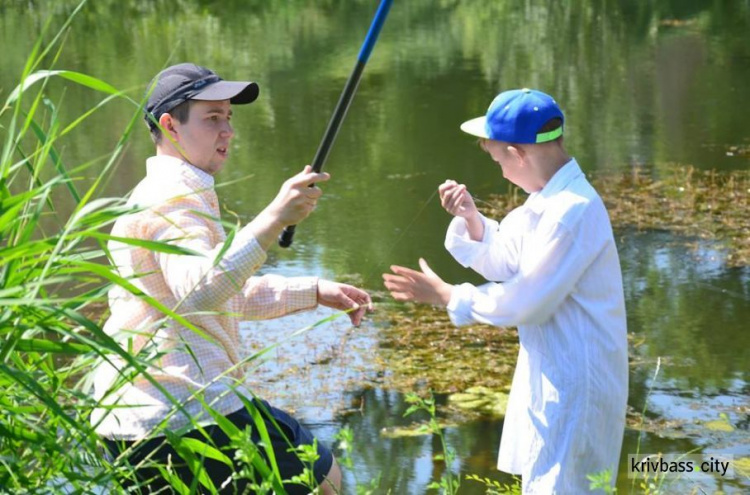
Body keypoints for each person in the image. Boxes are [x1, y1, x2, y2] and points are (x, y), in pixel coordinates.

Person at [92, 63, 372, 494]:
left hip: (131, 422)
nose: (228, 131)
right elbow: (203, 288)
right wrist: (274, 217)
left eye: (228, 117)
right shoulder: (175, 196)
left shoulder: (158, 191)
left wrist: (313, 291)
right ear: (170, 126)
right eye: (212, 118)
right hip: (189, 415)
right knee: (322, 475)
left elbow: (220, 294)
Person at [383, 88, 628, 493]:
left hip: (578, 383)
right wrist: (471, 218)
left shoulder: (572, 211)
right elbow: (506, 259)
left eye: (498, 160)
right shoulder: (545, 202)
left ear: (518, 154)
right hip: (555, 372)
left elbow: (526, 301)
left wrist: (448, 295)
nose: (499, 170)